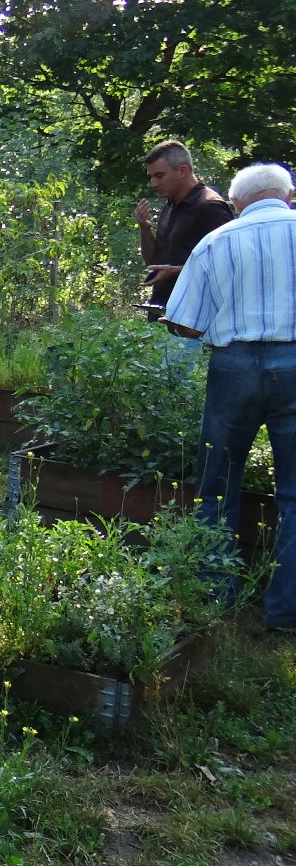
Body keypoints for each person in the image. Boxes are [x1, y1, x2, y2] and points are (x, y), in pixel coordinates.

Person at [162, 162, 296, 630]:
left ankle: (216, 598)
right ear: (288, 194)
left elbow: (185, 324)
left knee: (217, 482)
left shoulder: (218, 241)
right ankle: (285, 612)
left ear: (237, 202)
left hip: (234, 366)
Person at [135, 139, 234, 309]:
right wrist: (145, 228)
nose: (153, 184)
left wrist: (175, 272)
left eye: (159, 176)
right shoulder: (170, 205)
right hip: (165, 312)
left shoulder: (210, 206)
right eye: (151, 177)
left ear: (183, 170)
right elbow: (153, 261)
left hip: (195, 319)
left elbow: (227, 265)